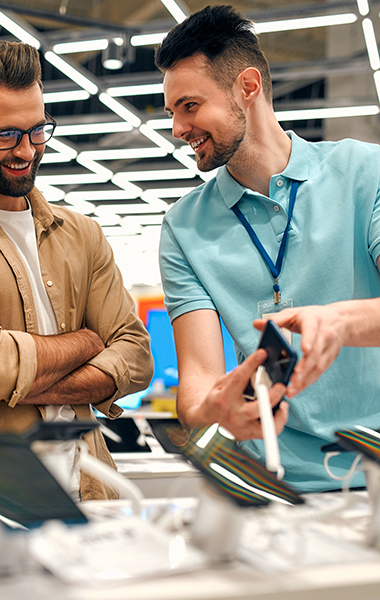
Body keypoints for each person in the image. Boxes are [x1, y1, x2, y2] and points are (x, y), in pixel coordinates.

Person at [0, 40, 153, 503]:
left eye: (37, 131)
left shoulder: (82, 233)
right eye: (6, 135)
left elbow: (136, 357)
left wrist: (23, 378)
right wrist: (89, 342)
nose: (26, 151)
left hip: (95, 490)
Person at [156, 4, 380, 492]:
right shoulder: (182, 227)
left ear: (248, 87)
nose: (177, 129)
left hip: (374, 476)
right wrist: (209, 410)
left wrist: (340, 321)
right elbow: (197, 379)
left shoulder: (366, 173)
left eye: (189, 106)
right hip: (265, 482)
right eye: (172, 111)